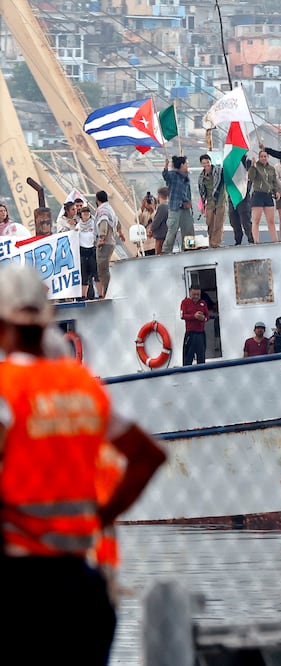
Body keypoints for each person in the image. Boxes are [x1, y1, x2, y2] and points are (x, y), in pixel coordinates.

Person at [0, 263, 167, 664]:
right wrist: (102, 515)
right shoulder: (83, 386)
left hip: (18, 582)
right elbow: (148, 455)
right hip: (80, 585)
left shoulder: (6, 387)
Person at [94, 190, 124, 299]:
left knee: (102, 269)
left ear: (97, 199)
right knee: (105, 268)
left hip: (105, 243)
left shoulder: (102, 210)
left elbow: (104, 222)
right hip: (111, 241)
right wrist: (120, 233)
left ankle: (107, 291)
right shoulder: (110, 209)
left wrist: (101, 238)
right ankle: (107, 290)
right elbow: (118, 222)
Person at [162, 155, 195, 253]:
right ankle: (166, 251)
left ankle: (190, 248)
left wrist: (190, 203)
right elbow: (165, 176)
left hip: (185, 207)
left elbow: (188, 192)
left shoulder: (186, 177)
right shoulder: (173, 175)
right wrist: (166, 166)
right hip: (175, 207)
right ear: (181, 165)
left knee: (189, 229)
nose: (187, 165)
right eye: (186, 163)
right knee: (172, 230)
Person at [248, 150, 281, 243]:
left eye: (265, 156)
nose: (263, 158)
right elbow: (251, 177)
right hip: (258, 194)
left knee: (271, 220)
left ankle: (275, 241)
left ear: (268, 157)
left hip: (268, 195)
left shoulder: (271, 169)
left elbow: (274, 182)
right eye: (262, 156)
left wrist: (277, 192)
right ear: (259, 157)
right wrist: (252, 167)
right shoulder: (256, 166)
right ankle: (256, 241)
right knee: (256, 220)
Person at [197, 154, 227, 248]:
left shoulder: (218, 172)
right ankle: (211, 242)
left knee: (219, 223)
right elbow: (202, 192)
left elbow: (226, 175)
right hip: (209, 202)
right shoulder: (201, 177)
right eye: (204, 163)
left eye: (207, 163)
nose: (206, 165)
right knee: (210, 223)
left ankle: (216, 243)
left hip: (220, 200)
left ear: (210, 162)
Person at [179, 285, 210, 365]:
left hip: (201, 334)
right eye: (194, 295)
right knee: (188, 358)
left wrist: (203, 318)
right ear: (190, 293)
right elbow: (182, 316)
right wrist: (194, 316)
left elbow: (207, 316)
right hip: (190, 334)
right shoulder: (185, 302)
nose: (196, 297)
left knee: (201, 358)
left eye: (198, 295)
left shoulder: (203, 303)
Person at [78, 204, 98, 300]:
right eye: (84, 213)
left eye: (87, 213)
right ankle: (83, 295)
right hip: (83, 251)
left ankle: (101, 294)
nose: (86, 215)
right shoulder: (78, 225)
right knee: (84, 275)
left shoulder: (94, 224)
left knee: (95, 273)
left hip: (92, 250)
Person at [150, 187, 169, 255]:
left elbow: (156, 221)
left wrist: (151, 229)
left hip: (161, 235)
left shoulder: (162, 206)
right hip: (167, 234)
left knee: (159, 254)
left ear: (159, 195)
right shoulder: (169, 205)